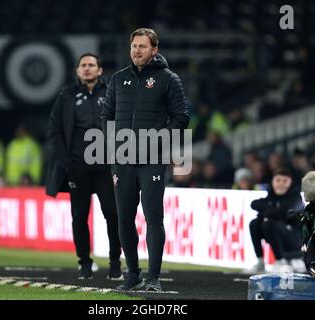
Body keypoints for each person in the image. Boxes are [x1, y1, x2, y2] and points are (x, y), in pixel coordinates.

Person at [101, 28, 190, 291]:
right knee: (124, 218)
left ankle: (153, 278)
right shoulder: (118, 79)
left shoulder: (168, 79)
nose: (137, 51)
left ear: (154, 50)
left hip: (152, 159)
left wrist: (160, 139)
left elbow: (182, 116)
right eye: (133, 46)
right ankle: (133, 275)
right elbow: (106, 116)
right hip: (122, 159)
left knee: (153, 218)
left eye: (142, 46)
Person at [45, 53, 122, 281]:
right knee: (79, 216)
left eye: (91, 65)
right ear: (77, 71)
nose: (87, 69)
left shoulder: (112, 93)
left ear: (100, 70)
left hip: (106, 165)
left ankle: (115, 261)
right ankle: (84, 263)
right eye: (83, 65)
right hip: (77, 166)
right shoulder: (66, 95)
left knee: (112, 213)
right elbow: (54, 130)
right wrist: (65, 160)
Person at [244, 167, 306, 274]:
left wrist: (267, 210)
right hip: (279, 234)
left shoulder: (296, 198)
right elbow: (254, 204)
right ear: (272, 182)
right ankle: (260, 262)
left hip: (295, 240)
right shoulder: (271, 197)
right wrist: (273, 209)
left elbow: (283, 213)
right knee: (254, 224)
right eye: (278, 180)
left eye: (285, 181)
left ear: (291, 183)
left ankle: (280, 262)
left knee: (268, 224)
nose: (280, 184)